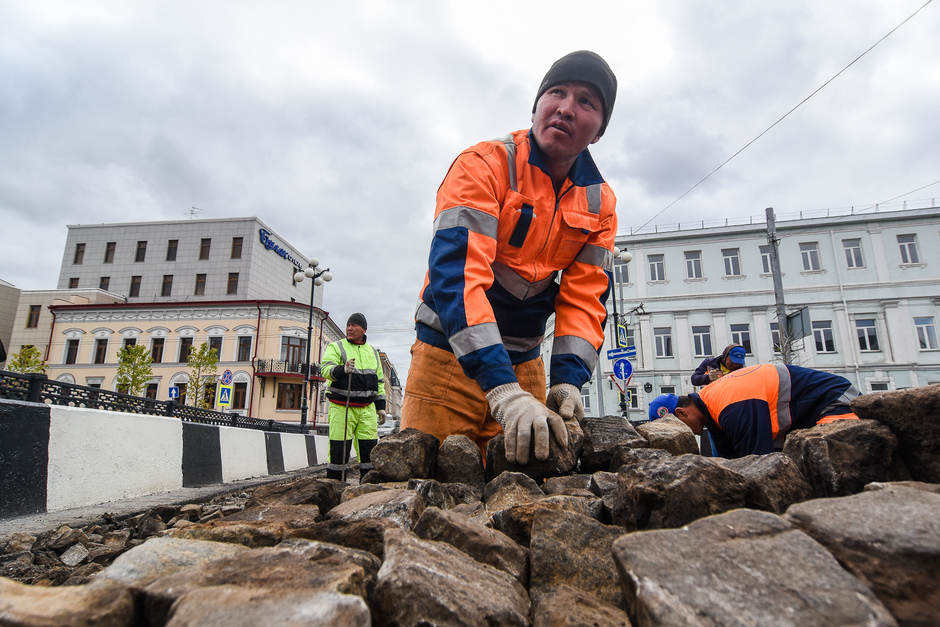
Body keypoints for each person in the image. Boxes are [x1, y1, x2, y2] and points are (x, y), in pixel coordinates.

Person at [401, 50, 618, 465]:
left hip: (526, 364)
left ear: (598, 132)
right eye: (557, 92)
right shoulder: (484, 164)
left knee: (528, 493)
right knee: (427, 483)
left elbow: (585, 299)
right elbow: (458, 278)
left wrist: (569, 381)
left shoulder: (600, 203)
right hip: (447, 360)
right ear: (537, 105)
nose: (566, 108)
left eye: (587, 102)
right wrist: (500, 387)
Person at [648, 363, 860, 458]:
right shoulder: (712, 411)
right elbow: (732, 464)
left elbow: (759, 464)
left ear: (682, 412)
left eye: (678, 430)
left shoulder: (731, 406)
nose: (685, 436)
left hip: (835, 401)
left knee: (828, 459)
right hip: (808, 415)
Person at [321, 313, 387, 481]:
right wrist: (342, 369)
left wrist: (380, 408)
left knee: (369, 452)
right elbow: (325, 369)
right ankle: (334, 487)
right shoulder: (337, 347)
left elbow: (379, 381)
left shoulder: (372, 352)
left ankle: (367, 489)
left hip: (367, 410)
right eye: (348, 325)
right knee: (339, 451)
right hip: (342, 407)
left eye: (354, 325)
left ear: (364, 329)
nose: (349, 328)